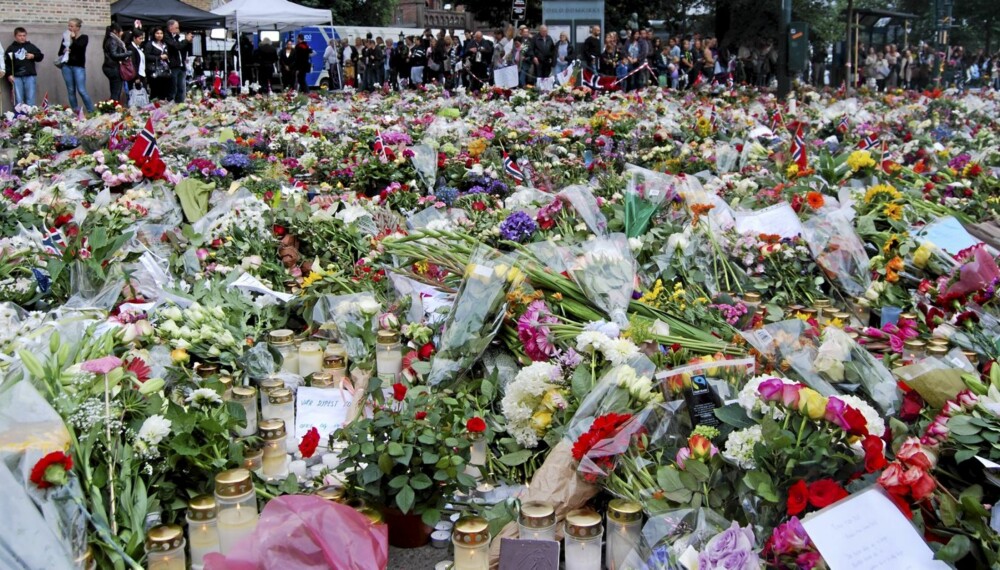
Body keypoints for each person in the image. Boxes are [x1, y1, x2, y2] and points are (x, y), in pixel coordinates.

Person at [57, 19, 94, 113]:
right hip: (66, 66)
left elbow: (80, 48)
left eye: (72, 26)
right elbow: (59, 52)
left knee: (81, 90)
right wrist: (64, 51)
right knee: (71, 90)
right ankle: (76, 111)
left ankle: (91, 111)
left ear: (77, 27)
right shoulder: (65, 37)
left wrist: (73, 38)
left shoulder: (84, 37)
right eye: (69, 26)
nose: (69, 28)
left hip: (78, 66)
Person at [4, 27, 44, 107]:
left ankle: (30, 116)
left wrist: (33, 56)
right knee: (18, 98)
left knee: (30, 97)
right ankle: (20, 116)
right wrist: (9, 75)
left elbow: (40, 56)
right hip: (16, 76)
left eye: (24, 35)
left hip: (29, 75)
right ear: (15, 36)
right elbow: (6, 63)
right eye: (20, 35)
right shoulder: (11, 48)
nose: (22, 37)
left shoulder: (31, 46)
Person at [163, 20, 193, 103]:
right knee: (173, 88)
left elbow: (183, 48)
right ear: (170, 27)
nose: (178, 29)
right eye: (176, 28)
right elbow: (176, 46)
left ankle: (180, 104)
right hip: (173, 66)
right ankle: (171, 104)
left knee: (182, 88)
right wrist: (186, 40)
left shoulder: (175, 37)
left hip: (181, 65)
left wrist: (189, 42)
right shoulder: (166, 36)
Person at [102, 24, 129, 104]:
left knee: (114, 90)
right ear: (115, 31)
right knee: (116, 92)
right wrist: (127, 54)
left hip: (110, 67)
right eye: (120, 31)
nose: (122, 33)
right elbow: (114, 55)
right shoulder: (113, 40)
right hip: (113, 68)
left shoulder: (110, 39)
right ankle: (113, 109)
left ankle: (112, 107)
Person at [145, 28, 170, 100]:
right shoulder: (150, 44)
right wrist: (159, 57)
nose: (159, 35)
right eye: (157, 33)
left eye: (161, 33)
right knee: (154, 90)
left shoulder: (164, 44)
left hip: (164, 70)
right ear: (154, 34)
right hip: (154, 70)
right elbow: (147, 56)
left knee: (164, 90)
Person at [126, 28, 146, 93]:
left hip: (141, 73)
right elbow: (133, 63)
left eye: (142, 38)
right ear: (134, 38)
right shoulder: (131, 48)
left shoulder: (137, 47)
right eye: (140, 38)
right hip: (136, 75)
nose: (141, 40)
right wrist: (136, 77)